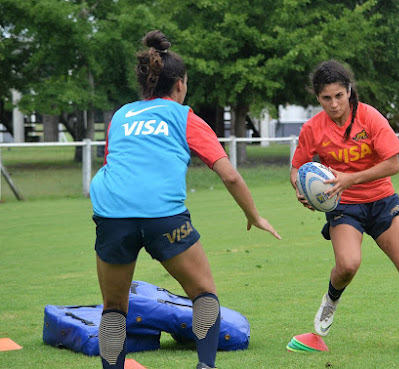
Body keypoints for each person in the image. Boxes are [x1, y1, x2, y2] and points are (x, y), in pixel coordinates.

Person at [89, 30, 281, 369]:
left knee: (114, 307)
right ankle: (205, 366)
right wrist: (254, 215)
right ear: (179, 84)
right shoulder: (183, 116)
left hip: (112, 215)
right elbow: (230, 174)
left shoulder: (120, 116)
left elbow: (113, 165)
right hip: (164, 216)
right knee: (204, 294)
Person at [290, 60, 399, 350]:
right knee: (348, 265)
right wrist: (300, 188)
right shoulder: (312, 128)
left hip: (382, 201)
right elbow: (297, 169)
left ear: (349, 91)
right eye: (326, 98)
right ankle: (331, 300)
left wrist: (350, 178)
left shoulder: (370, 118)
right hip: (343, 205)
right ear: (317, 98)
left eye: (339, 96)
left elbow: (393, 164)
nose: (334, 104)